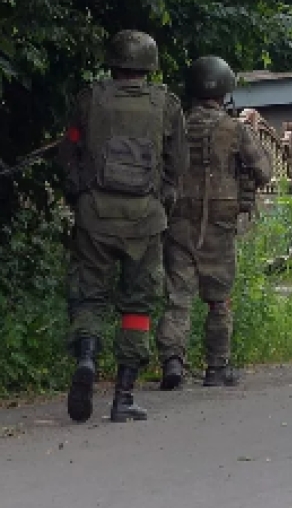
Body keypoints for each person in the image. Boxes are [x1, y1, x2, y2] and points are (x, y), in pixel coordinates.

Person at [55, 30, 187, 423]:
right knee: (137, 305)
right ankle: (123, 397)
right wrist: (161, 197)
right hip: (144, 220)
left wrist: (78, 192)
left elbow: (69, 150)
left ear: (113, 62)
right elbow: (178, 163)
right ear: (150, 64)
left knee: (89, 296)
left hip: (95, 215)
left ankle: (87, 358)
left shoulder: (89, 99)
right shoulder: (166, 105)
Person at [158, 56, 273, 389]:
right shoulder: (234, 129)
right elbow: (263, 172)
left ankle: (172, 363)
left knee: (178, 296)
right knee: (218, 299)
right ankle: (216, 368)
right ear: (224, 90)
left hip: (178, 220)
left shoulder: (175, 126)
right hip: (220, 225)